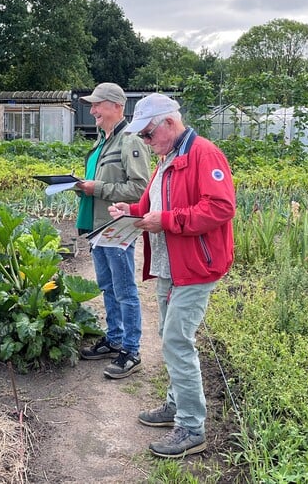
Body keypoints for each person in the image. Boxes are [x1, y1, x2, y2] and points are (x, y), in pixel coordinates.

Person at [109, 93, 235, 457]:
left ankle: (192, 427)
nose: (146, 143)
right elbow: (155, 205)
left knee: (177, 341)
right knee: (168, 335)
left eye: (148, 135)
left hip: (196, 265)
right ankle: (175, 406)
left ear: (168, 122)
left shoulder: (204, 154)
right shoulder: (168, 158)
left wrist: (164, 221)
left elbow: (220, 207)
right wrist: (130, 210)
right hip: (170, 263)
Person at [76, 83, 151, 378]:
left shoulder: (130, 140)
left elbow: (140, 189)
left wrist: (99, 188)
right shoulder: (103, 141)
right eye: (92, 105)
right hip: (97, 227)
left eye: (98, 105)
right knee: (107, 286)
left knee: (124, 290)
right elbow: (100, 184)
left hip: (116, 228)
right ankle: (114, 338)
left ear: (117, 106)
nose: (92, 110)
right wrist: (82, 188)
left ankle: (131, 350)